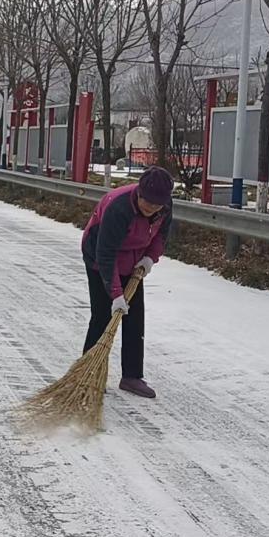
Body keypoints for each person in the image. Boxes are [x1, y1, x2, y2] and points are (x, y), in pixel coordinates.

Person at [80, 166, 174, 399]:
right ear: (139, 193)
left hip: (134, 260)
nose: (152, 208)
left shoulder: (164, 207)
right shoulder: (119, 207)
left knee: (134, 317)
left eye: (157, 205)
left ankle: (131, 376)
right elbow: (106, 254)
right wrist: (115, 294)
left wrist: (150, 259)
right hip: (100, 259)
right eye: (148, 203)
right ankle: (89, 372)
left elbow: (161, 237)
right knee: (102, 315)